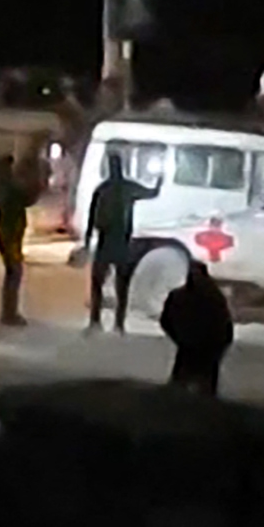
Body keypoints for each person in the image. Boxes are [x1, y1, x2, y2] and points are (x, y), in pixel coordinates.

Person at [84, 150, 158, 332]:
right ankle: (111, 322)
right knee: (113, 283)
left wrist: (88, 239)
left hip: (112, 240)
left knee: (107, 283)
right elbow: (151, 193)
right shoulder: (123, 188)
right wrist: (158, 180)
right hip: (116, 240)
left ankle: (105, 321)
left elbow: (92, 215)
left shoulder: (105, 188)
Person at [161, 259, 236, 396]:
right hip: (203, 346)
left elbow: (166, 321)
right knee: (202, 385)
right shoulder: (214, 297)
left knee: (183, 384)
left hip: (196, 345)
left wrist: (181, 338)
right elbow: (225, 327)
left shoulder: (182, 297)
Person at [0, 152, 35, 327]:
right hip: (10, 237)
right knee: (14, 274)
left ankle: (9, 312)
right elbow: (28, 199)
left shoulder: (3, 189)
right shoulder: (10, 190)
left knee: (12, 274)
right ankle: (9, 314)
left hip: (8, 236)